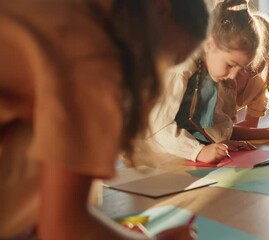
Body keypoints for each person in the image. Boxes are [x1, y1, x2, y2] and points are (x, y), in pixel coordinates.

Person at [0, 0, 208, 239]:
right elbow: (63, 229)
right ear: (161, 9)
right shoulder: (95, 55)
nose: (156, 76)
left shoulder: (71, 13)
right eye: (166, 59)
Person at [143, 0, 261, 165]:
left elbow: (215, 119)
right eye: (230, 65)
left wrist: (219, 143)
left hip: (180, 151)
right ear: (209, 44)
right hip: (152, 155)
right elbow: (158, 127)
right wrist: (197, 151)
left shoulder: (215, 73)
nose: (233, 76)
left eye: (240, 68)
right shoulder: (180, 68)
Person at [230, 12, 269, 140]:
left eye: (261, 59)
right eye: (250, 57)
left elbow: (246, 126)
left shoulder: (258, 85)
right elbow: (216, 132)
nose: (252, 66)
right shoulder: (220, 78)